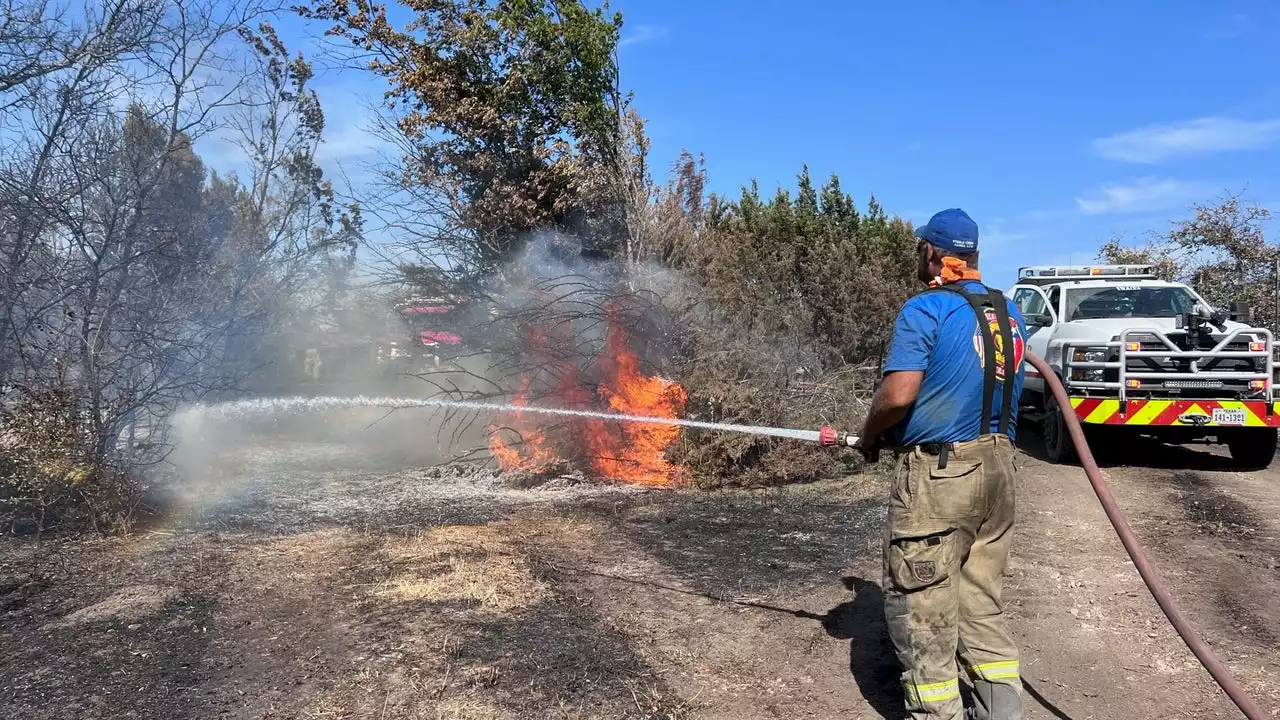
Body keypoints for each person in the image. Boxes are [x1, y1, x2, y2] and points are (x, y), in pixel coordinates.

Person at [855, 208, 1027, 720]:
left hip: (942, 476)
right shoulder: (1008, 313)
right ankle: (1002, 712)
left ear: (931, 253)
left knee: (923, 603)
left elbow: (899, 393)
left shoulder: (925, 309)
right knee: (980, 598)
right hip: (999, 470)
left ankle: (938, 712)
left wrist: (871, 433)